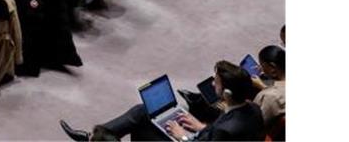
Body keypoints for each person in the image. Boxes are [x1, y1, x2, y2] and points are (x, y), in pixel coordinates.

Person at [61, 60, 264, 141]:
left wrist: (182, 136)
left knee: (142, 125)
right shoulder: (253, 109)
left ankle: (94, 139)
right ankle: (94, 138)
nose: (212, 85)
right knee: (144, 111)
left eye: (216, 83)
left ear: (227, 93)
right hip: (204, 136)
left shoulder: (225, 129)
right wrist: (201, 126)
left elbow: (219, 136)